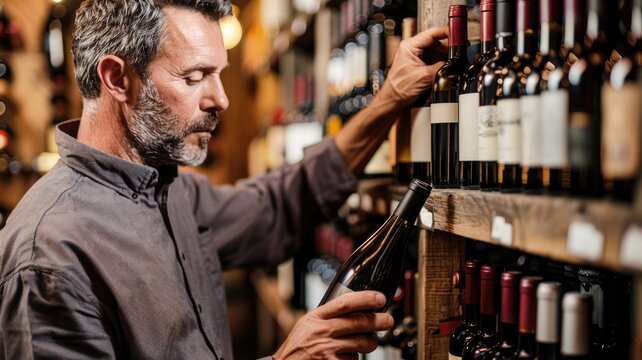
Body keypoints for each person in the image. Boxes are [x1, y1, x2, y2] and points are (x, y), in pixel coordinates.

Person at [0, 0, 447, 358]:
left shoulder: (169, 191)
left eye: (219, 74)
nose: (221, 99)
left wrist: (390, 98)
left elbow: (281, 204)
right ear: (118, 78)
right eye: (194, 77)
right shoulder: (49, 258)